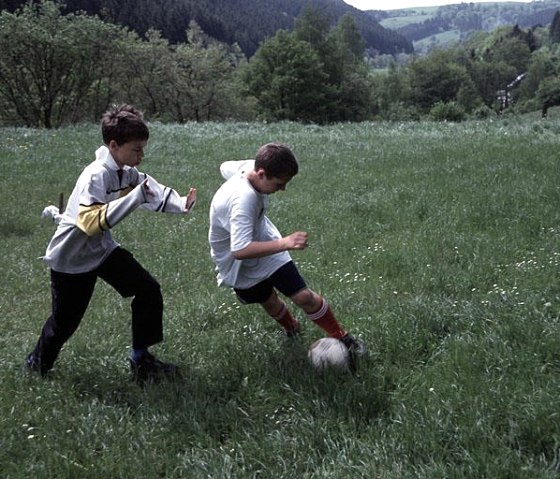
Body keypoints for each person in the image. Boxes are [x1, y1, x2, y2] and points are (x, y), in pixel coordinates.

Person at [26, 104, 197, 383]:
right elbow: (90, 222)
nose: (141, 156)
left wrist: (180, 203)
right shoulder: (96, 174)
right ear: (114, 145)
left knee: (148, 290)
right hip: (71, 259)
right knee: (65, 323)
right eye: (136, 149)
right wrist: (134, 198)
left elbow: (148, 188)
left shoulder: (124, 170)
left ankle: (141, 361)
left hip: (102, 250)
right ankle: (36, 365)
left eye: (142, 149)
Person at [209, 143, 365, 360]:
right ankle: (292, 328)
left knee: (303, 296)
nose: (283, 189)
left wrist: (280, 245)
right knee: (269, 300)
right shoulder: (244, 199)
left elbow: (225, 167)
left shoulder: (248, 168)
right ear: (261, 173)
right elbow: (240, 249)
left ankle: (343, 337)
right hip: (238, 264)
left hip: (265, 243)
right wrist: (286, 242)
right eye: (279, 184)